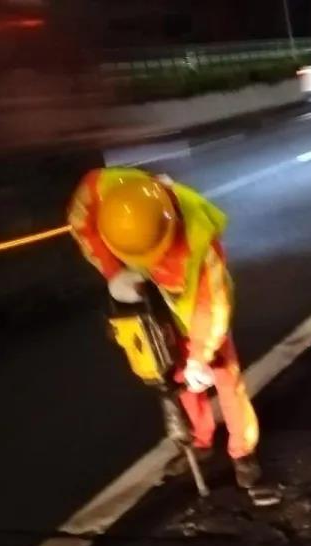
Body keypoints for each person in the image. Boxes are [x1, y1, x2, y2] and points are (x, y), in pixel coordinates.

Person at [68, 167, 262, 489]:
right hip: (151, 298)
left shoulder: (199, 244)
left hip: (196, 310)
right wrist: (114, 271)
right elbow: (80, 222)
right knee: (175, 373)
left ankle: (243, 451)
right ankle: (200, 440)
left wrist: (200, 357)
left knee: (223, 374)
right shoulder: (101, 190)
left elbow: (211, 307)